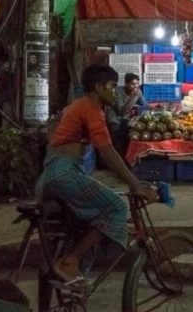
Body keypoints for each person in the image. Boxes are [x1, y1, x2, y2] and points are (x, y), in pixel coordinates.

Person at [36, 65, 156, 286]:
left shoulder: (80, 105)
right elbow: (106, 151)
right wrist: (135, 184)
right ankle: (70, 262)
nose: (114, 91)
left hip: (53, 173)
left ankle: (72, 284)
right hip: (64, 173)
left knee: (84, 224)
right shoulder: (91, 108)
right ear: (99, 87)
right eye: (111, 86)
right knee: (116, 208)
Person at [106, 73, 146, 155]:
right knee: (118, 139)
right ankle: (116, 157)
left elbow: (144, 105)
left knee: (130, 136)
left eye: (137, 84)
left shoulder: (138, 92)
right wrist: (132, 98)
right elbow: (122, 112)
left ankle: (126, 156)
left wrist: (156, 107)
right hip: (115, 119)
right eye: (132, 84)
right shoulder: (118, 92)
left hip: (126, 119)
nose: (135, 86)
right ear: (126, 84)